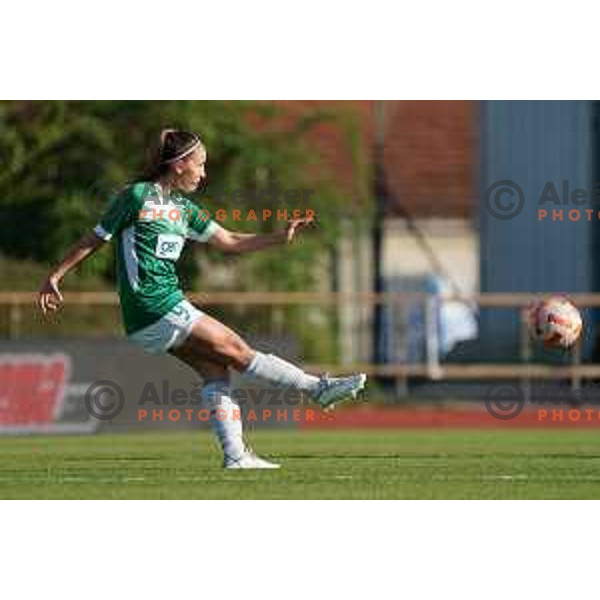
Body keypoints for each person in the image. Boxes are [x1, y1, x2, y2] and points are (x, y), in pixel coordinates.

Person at [38, 129, 367, 469]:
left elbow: (229, 241)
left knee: (216, 370)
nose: (204, 173)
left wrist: (278, 238)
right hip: (155, 305)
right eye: (200, 164)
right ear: (179, 164)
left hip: (152, 315)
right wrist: (55, 275)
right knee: (239, 350)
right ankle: (317, 389)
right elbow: (95, 238)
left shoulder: (184, 209)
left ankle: (236, 456)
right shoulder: (136, 196)